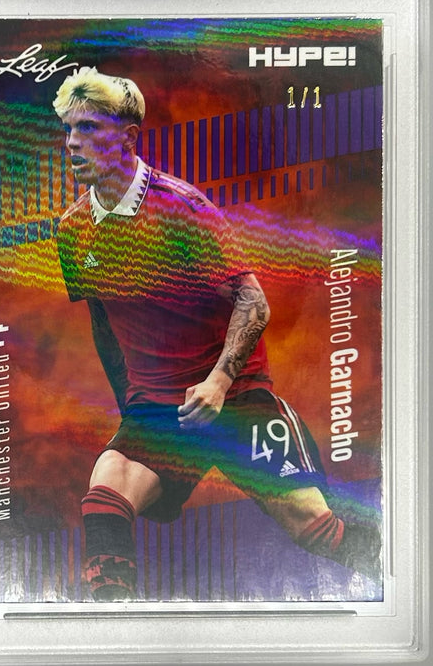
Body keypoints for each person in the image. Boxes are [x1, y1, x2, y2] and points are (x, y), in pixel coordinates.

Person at [54, 66, 381, 601]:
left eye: (88, 128)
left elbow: (253, 302)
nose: (72, 142)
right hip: (158, 411)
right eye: (69, 128)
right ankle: (112, 627)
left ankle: (405, 572)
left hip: (236, 398)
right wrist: (132, 408)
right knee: (104, 497)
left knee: (315, 529)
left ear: (127, 138)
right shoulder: (72, 230)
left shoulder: (182, 207)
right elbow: (104, 324)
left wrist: (218, 383)